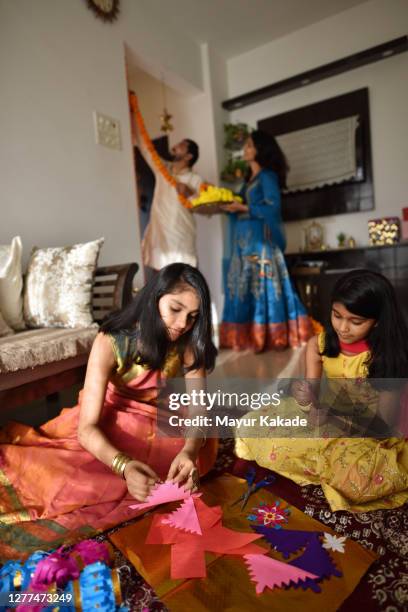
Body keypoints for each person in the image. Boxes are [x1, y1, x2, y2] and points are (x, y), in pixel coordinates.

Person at [0, 264, 218, 561]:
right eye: (175, 309)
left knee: (196, 454)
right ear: (154, 298)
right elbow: (87, 428)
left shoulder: (188, 342)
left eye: (192, 317)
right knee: (74, 476)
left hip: (157, 417)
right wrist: (123, 466)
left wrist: (191, 451)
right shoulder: (111, 339)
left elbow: (199, 411)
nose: (182, 324)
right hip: (109, 417)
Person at [235, 269, 408, 512]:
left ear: (378, 321)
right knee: (249, 426)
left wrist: (334, 418)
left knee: (359, 480)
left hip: (364, 433)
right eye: (337, 316)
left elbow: (383, 426)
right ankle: (319, 463)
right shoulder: (320, 345)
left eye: (355, 322)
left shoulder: (386, 358)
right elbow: (311, 395)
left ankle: (322, 465)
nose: (343, 328)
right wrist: (303, 394)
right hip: (323, 420)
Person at [220, 130, 313, 352]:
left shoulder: (267, 176)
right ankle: (247, 336)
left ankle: (271, 335)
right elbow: (243, 206)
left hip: (260, 241)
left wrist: (242, 207)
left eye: (250, 145)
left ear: (261, 149)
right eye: (246, 146)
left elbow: (273, 207)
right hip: (244, 242)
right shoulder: (248, 180)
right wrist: (225, 206)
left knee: (263, 286)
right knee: (244, 285)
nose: (246, 149)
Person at [131, 94, 203, 271]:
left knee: (183, 278)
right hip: (161, 233)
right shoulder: (163, 169)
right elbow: (146, 149)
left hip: (181, 235)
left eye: (182, 145)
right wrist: (133, 112)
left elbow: (202, 206)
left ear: (188, 156)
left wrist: (189, 193)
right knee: (161, 279)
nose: (177, 144)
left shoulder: (195, 179)